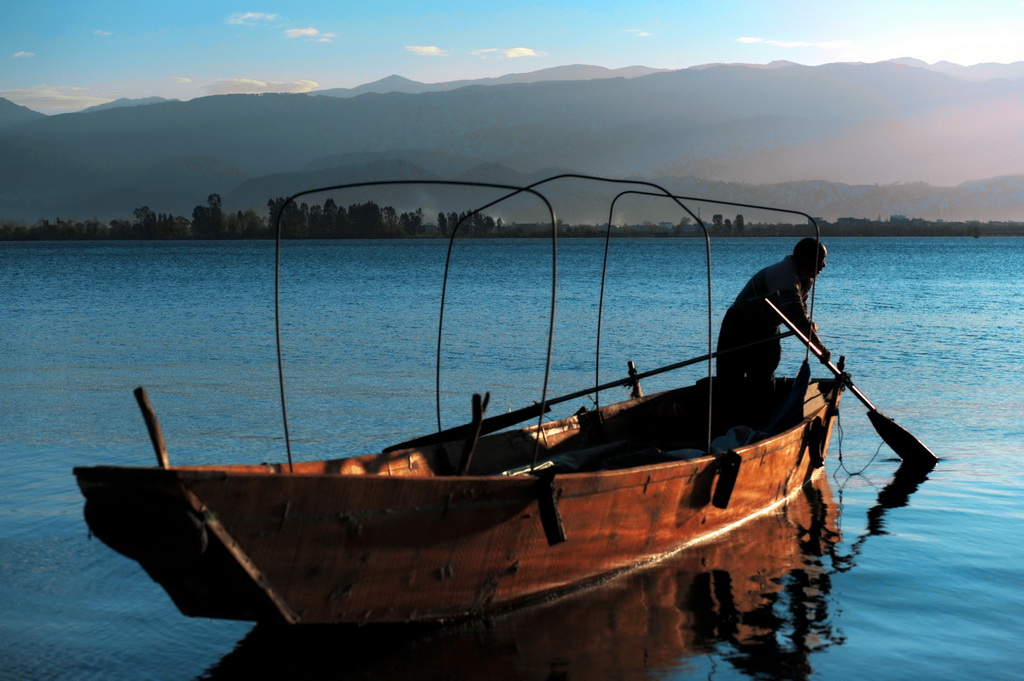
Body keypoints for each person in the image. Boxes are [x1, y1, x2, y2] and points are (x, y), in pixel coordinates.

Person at [716, 237, 830, 390]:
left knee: (764, 380)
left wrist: (809, 329)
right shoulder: (785, 277)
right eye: (820, 259)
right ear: (805, 259)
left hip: (768, 329)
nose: (824, 265)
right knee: (729, 381)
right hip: (740, 327)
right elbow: (796, 317)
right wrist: (820, 348)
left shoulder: (805, 280)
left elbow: (801, 314)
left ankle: (763, 411)